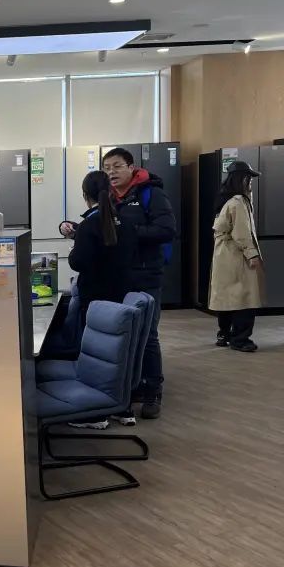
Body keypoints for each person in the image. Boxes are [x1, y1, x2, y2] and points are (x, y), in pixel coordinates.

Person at [101, 147, 176, 420]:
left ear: (131, 167)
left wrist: (130, 232)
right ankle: (132, 386)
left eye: (117, 166)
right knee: (124, 333)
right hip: (118, 276)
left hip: (146, 275)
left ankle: (153, 390)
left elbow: (167, 230)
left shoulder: (150, 194)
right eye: (107, 168)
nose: (111, 172)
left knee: (148, 334)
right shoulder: (109, 197)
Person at [66, 170, 138, 428]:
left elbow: (78, 262)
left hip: (95, 299)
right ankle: (123, 408)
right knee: (117, 354)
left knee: (95, 355)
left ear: (86, 195)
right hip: (120, 295)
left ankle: (94, 415)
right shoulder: (125, 221)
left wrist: (75, 244)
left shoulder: (89, 225)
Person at [209, 161, 264, 352]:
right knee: (245, 298)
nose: (251, 183)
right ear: (243, 180)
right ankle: (241, 339)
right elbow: (242, 232)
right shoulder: (239, 202)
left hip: (222, 254)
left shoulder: (224, 199)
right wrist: (252, 254)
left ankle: (224, 333)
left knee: (226, 296)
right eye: (249, 179)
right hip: (236, 254)